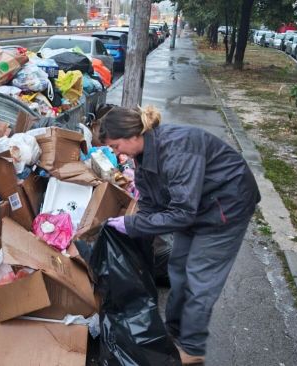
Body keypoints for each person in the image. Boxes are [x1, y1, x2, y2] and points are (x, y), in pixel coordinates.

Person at [101, 106, 260, 366]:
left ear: (133, 136)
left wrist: (133, 226)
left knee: (200, 278)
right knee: (178, 269)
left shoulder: (177, 148)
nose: (117, 154)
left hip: (226, 207)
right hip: (194, 207)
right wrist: (134, 225)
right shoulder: (142, 157)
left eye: (117, 146)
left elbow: (183, 213)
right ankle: (172, 331)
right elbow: (152, 203)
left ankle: (193, 348)